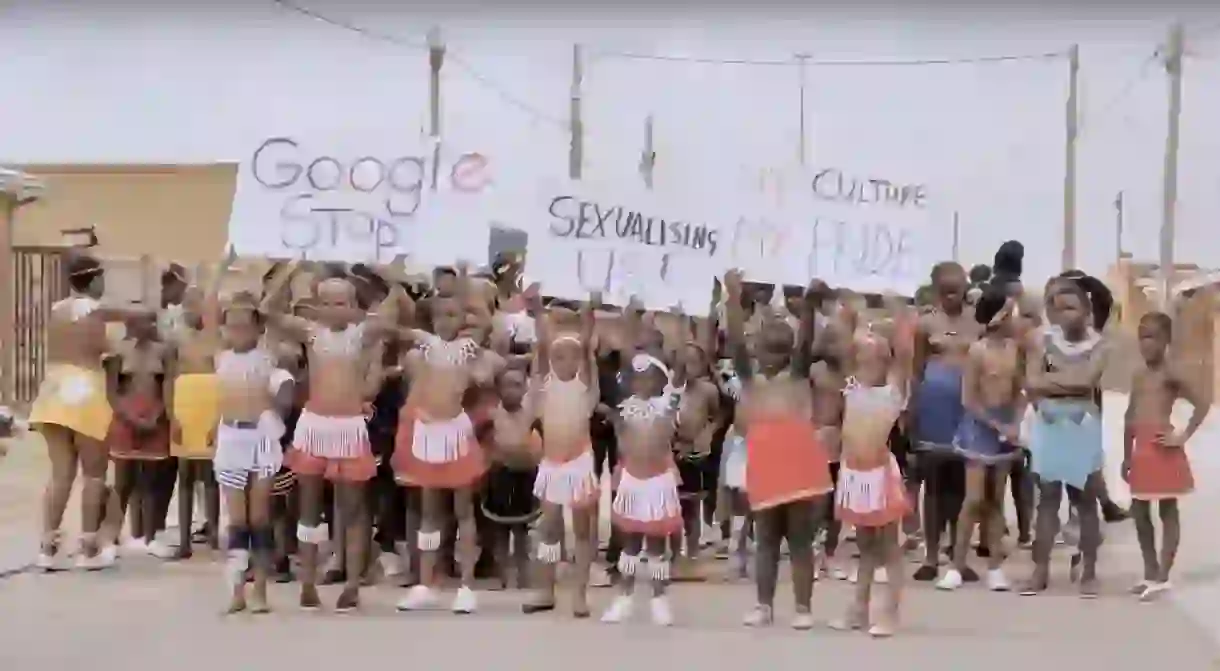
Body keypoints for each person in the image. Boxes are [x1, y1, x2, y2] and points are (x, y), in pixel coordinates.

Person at [262, 260, 407, 612]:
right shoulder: (311, 332)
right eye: (326, 302)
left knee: (353, 508)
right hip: (314, 424)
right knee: (309, 506)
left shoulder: (364, 333)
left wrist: (386, 275)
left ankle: (353, 583)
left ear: (354, 306)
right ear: (317, 306)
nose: (333, 309)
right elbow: (267, 310)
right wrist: (291, 270)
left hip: (348, 426)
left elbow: (396, 306)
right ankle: (308, 582)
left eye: (341, 303)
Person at [394, 262, 501, 614]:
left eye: (454, 315)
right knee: (429, 511)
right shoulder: (423, 344)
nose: (446, 322)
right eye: (441, 316)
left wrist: (466, 283)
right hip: (427, 433)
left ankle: (467, 585)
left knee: (463, 508)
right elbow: (390, 327)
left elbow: (485, 321)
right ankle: (426, 581)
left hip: (455, 433)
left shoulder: (468, 347)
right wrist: (397, 281)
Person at [724, 271, 829, 629]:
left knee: (799, 540)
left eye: (782, 349)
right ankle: (763, 605)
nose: (775, 355)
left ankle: (802, 607)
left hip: (799, 469)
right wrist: (732, 300)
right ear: (757, 349)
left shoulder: (797, 376)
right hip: (766, 467)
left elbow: (804, 344)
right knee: (766, 538)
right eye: (768, 348)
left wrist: (811, 308)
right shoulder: (750, 379)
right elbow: (736, 343)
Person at [29, 253, 146, 570]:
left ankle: (48, 549)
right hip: (84, 392)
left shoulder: (56, 310)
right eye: (102, 277)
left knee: (60, 473)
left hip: (53, 391)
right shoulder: (96, 310)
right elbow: (138, 317)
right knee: (94, 473)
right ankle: (89, 547)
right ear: (93, 279)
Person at [1021, 280, 1109, 598]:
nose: (1063, 314)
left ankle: (1089, 572)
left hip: (1081, 426)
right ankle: (1039, 570)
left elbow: (1087, 381)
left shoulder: (1099, 344)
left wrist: (1051, 383)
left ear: (1086, 311)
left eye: (1071, 307)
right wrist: (1067, 384)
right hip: (1049, 424)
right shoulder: (1042, 341)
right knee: (1046, 500)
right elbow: (1032, 382)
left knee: (1085, 501)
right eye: (1058, 308)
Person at [209, 290, 294, 614]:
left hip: (260, 438)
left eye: (246, 326)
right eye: (232, 326)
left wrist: (288, 269)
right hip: (231, 437)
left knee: (259, 517)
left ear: (258, 329)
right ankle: (235, 591)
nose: (238, 332)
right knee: (237, 519)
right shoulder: (221, 356)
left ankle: (260, 589)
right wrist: (221, 271)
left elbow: (271, 309)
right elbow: (208, 308)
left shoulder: (267, 355)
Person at [600, 297, 683, 627]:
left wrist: (678, 325)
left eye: (650, 377)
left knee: (657, 544)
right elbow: (625, 354)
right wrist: (629, 317)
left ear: (661, 383)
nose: (642, 382)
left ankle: (660, 598)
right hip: (633, 480)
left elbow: (679, 366)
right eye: (637, 379)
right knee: (630, 542)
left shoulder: (667, 404)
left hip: (658, 482)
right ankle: (624, 596)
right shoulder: (625, 405)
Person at [937, 286, 1025, 592]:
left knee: (996, 501)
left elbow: (1020, 391)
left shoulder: (1017, 349)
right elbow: (968, 398)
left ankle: (995, 566)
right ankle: (955, 565)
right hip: (979, 427)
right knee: (973, 500)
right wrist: (996, 423)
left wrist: (1014, 422)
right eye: (1011, 311)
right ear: (999, 316)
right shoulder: (977, 351)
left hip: (1005, 429)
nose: (1015, 317)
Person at [520, 288, 600, 616]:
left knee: (583, 530)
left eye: (573, 356)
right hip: (552, 465)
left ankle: (579, 592)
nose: (567, 361)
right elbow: (541, 346)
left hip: (579, 462)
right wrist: (538, 311)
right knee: (549, 528)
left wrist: (589, 311)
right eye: (559, 356)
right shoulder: (543, 385)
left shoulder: (585, 386)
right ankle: (545, 588)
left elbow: (586, 340)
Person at [1123, 311, 1210, 601]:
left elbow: (1202, 403)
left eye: (1153, 337)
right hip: (1141, 449)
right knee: (1138, 510)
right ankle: (1150, 570)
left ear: (1166, 341)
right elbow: (1129, 416)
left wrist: (1182, 436)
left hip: (1162, 446)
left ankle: (1163, 576)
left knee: (1167, 509)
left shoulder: (1171, 372)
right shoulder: (1138, 375)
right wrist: (1126, 455)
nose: (1146, 343)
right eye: (1142, 336)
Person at [830, 325, 909, 638]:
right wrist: (852, 321)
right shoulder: (850, 387)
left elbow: (904, 355)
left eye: (871, 358)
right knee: (865, 547)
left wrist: (899, 319)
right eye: (860, 358)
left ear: (884, 362)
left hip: (879, 475)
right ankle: (858, 609)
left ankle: (890, 612)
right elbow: (845, 348)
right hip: (854, 473)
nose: (863, 364)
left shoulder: (893, 392)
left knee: (888, 547)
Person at [909, 262, 978, 582]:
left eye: (958, 287)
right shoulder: (925, 323)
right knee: (934, 483)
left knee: (964, 484)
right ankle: (932, 555)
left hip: (968, 407)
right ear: (936, 289)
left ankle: (958, 554)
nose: (953, 294)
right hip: (935, 406)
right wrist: (912, 409)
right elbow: (916, 369)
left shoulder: (978, 320)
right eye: (945, 289)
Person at [166, 264, 230, 558]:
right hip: (184, 406)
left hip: (210, 406)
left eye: (199, 305)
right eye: (189, 305)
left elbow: (227, 381)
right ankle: (183, 540)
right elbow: (168, 379)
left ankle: (215, 531)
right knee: (185, 475)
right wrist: (172, 417)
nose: (194, 310)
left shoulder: (219, 340)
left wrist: (220, 418)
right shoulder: (176, 340)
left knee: (210, 475)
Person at [106, 309, 173, 558]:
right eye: (143, 319)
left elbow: (167, 385)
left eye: (151, 320)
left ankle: (151, 536)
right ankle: (111, 537)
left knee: (152, 482)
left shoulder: (162, 351)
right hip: (126, 418)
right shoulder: (117, 351)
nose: (148, 324)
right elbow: (112, 392)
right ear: (130, 323)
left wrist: (161, 414)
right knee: (123, 482)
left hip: (155, 416)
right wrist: (129, 417)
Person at [670, 305, 721, 578]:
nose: (688, 367)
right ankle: (675, 555)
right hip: (672, 452)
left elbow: (718, 416)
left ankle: (691, 555)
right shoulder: (669, 389)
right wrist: (680, 323)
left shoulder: (708, 390)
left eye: (694, 362)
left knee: (692, 508)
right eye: (683, 361)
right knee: (673, 508)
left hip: (695, 455)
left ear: (702, 366)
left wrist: (708, 432)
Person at [482, 366, 541, 590]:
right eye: (506, 385)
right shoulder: (492, 415)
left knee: (521, 528)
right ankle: (503, 575)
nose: (511, 390)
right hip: (500, 474)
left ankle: (523, 572)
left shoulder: (532, 415)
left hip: (525, 474)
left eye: (517, 384)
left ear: (525, 387)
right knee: (500, 528)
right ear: (498, 389)